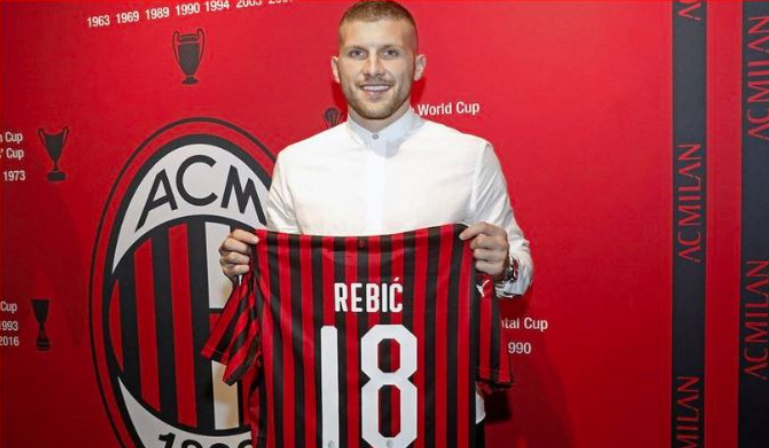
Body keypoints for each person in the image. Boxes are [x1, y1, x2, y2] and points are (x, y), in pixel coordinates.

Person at [217, 1, 533, 445]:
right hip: (327, 412)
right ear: (336, 68)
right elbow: (284, 287)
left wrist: (505, 266)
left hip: (443, 409)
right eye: (357, 53)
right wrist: (244, 268)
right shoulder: (296, 163)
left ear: (417, 65)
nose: (372, 69)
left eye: (390, 52)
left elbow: (518, 269)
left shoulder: (470, 156)